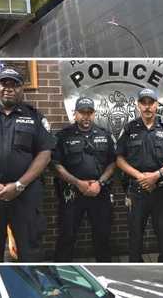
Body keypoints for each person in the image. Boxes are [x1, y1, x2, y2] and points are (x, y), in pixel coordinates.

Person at [0, 68, 55, 262]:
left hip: (26, 195)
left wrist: (19, 185)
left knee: (30, 252)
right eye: (4, 83)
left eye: (15, 84)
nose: (9, 89)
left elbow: (45, 154)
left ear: (22, 89)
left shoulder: (35, 117)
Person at [116, 88, 163, 262]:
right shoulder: (129, 128)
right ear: (138, 105)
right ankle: (135, 269)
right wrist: (140, 176)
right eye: (143, 103)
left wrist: (157, 175)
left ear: (156, 105)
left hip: (162, 191)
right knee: (135, 234)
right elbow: (119, 159)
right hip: (137, 192)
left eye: (150, 103)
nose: (147, 107)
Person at [52, 96, 116, 262]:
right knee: (67, 236)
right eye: (82, 113)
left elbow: (113, 163)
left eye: (89, 113)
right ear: (75, 114)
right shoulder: (63, 136)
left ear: (94, 114)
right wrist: (77, 183)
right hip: (72, 194)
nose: (86, 116)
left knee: (103, 236)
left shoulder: (105, 135)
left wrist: (99, 183)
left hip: (99, 193)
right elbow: (56, 165)